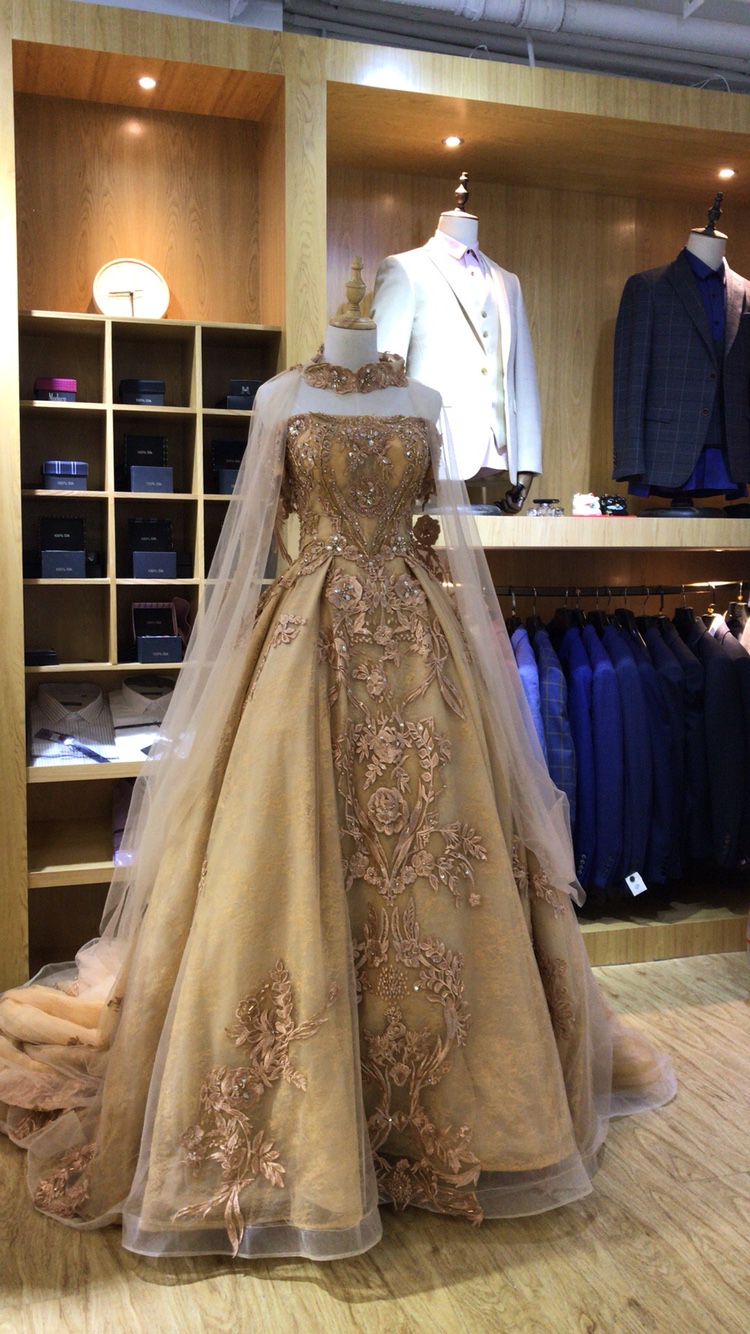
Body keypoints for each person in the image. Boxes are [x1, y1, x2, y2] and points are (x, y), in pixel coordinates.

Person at [0, 278, 675, 1260]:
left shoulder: (427, 401)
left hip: (421, 644)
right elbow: (249, 545)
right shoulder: (279, 397)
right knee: (290, 858)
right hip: (302, 645)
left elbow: (443, 534)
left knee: (444, 866)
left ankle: (455, 1115)